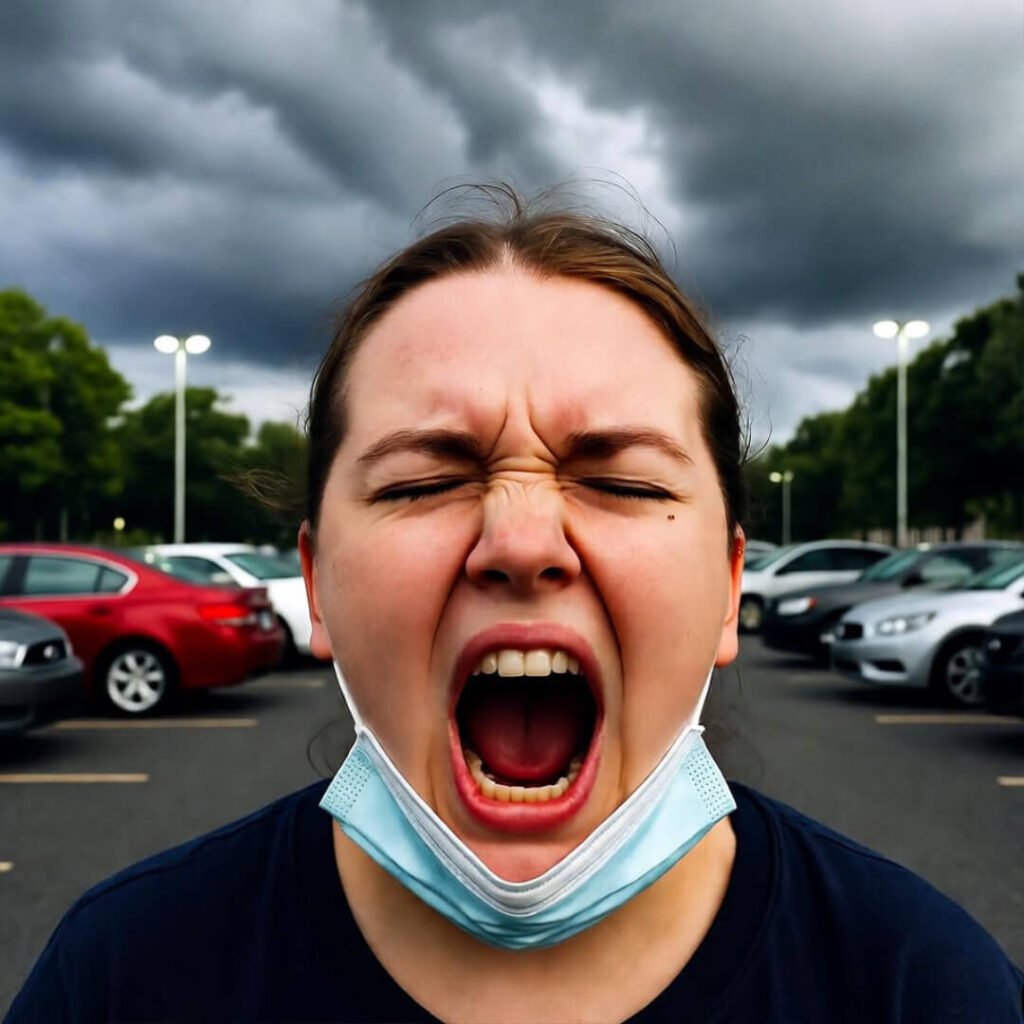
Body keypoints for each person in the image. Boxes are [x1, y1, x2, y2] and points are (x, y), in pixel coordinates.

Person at [6, 186, 1022, 1023]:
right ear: (315, 588)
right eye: (418, 482)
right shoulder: (123, 980)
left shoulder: (922, 988)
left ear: (725, 589)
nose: (522, 542)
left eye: (621, 481)